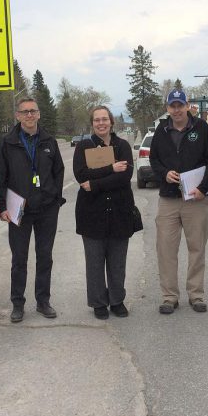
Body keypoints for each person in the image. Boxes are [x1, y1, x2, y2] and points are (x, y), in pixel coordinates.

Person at [0, 98, 65, 323]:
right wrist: (2, 207)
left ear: (39, 114)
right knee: (19, 258)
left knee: (45, 257)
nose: (29, 115)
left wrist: (53, 198)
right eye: (25, 112)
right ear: (17, 116)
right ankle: (17, 303)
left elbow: (58, 172)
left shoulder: (49, 141)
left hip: (46, 209)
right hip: (18, 209)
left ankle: (43, 301)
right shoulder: (7, 142)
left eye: (33, 111)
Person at [149, 89, 208, 314]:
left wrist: (203, 187)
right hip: (169, 199)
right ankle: (169, 296)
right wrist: (164, 173)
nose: (177, 110)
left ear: (188, 105)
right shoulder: (161, 129)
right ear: (167, 108)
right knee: (166, 249)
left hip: (196, 199)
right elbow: (154, 159)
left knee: (196, 248)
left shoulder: (201, 128)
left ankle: (196, 295)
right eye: (173, 106)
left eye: (181, 105)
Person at [73, 106, 141, 320]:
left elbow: (125, 176)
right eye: (97, 120)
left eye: (104, 119)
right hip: (91, 213)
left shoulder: (122, 146)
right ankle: (98, 302)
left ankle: (117, 299)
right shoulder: (84, 146)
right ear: (92, 123)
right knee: (94, 262)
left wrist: (95, 184)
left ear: (111, 122)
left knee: (117, 261)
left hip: (120, 212)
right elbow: (81, 174)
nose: (101, 123)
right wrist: (111, 168)